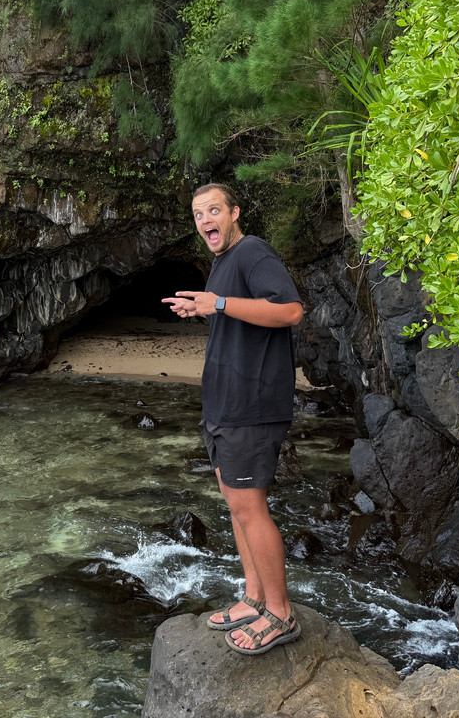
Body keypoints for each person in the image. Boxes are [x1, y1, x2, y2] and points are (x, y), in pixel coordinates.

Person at [162, 183, 304, 655]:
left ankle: (281, 615)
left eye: (214, 209)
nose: (207, 219)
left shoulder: (252, 252)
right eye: (199, 213)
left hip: (253, 407)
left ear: (234, 212)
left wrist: (217, 303)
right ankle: (255, 597)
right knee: (235, 504)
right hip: (223, 406)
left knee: (250, 506)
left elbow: (289, 310)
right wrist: (203, 307)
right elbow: (241, 320)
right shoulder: (222, 265)